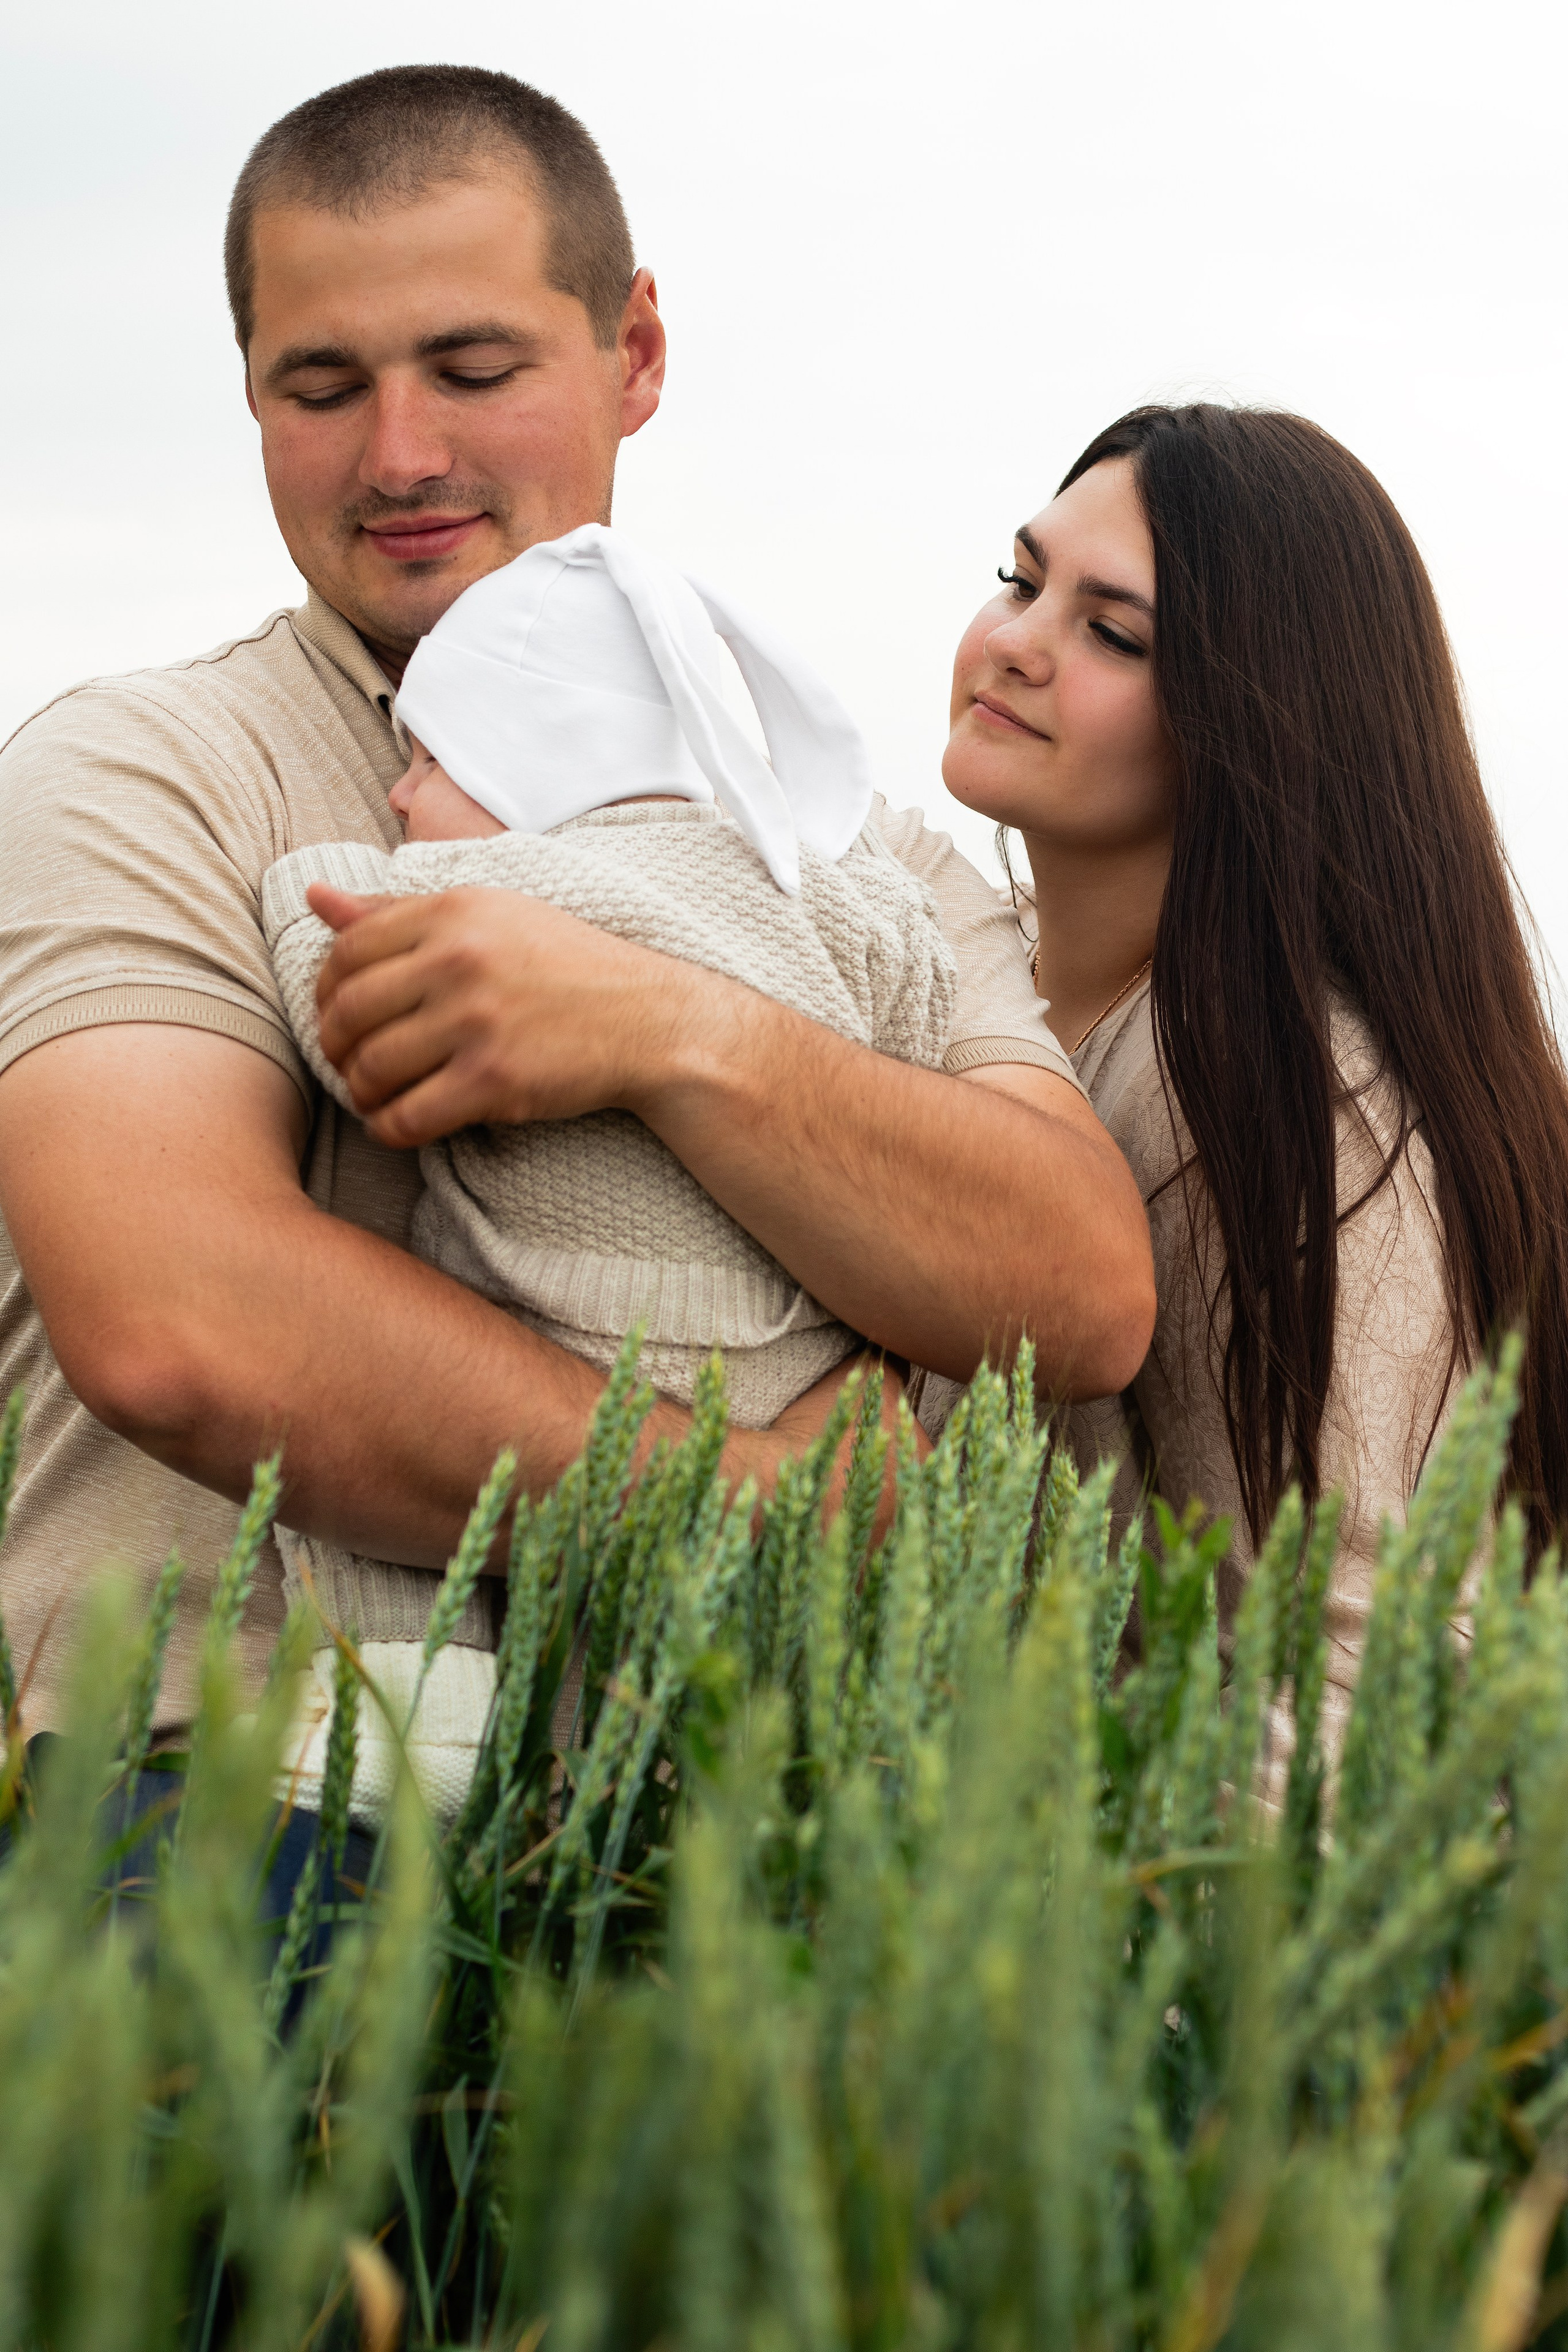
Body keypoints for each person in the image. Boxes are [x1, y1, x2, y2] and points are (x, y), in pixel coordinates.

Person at [0, 66, 1153, 1801]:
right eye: (322, 386)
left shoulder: (848, 839)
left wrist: (669, 1029)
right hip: (224, 1827)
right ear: (247, 398)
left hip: (725, 1858)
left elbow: (1076, 1289)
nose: (401, 456)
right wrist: (750, 1512)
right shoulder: (144, 768)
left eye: (474, 371)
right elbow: (185, 1322)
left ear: (635, 354)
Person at [266, 522, 957, 1824]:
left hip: (557, 1454)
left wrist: (309, 880)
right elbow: (917, 1031)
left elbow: (344, 1014)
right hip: (813, 1425)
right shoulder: (844, 899)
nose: (401, 796)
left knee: (399, 1593)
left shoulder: (488, 890)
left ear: (531, 765)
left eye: (427, 757)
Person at [933, 402, 1568, 1761]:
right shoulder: (976, 1014)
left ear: (1252, 718)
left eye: (1111, 633)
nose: (1013, 645)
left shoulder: (1291, 1099)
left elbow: (1341, 1682)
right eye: (1019, 579)